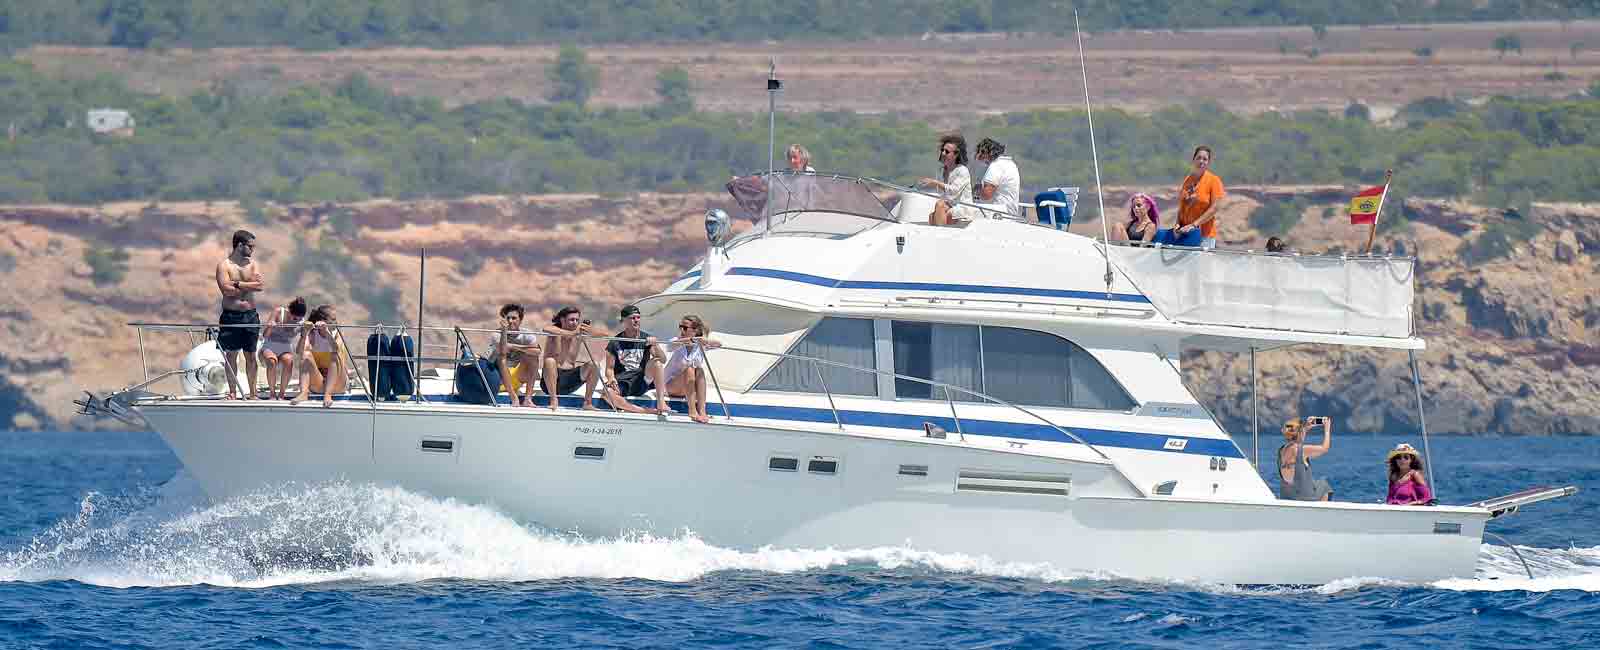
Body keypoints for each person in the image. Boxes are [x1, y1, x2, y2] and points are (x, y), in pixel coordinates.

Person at [214, 229, 264, 400]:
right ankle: (233, 392)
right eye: (250, 246)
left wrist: (236, 283)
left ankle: (253, 393)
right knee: (231, 354)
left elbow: (259, 286)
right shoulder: (224, 266)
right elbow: (227, 291)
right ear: (240, 245)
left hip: (250, 315)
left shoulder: (253, 264)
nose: (252, 249)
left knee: (251, 355)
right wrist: (246, 284)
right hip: (231, 316)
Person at [603, 305, 669, 415]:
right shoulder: (615, 342)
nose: (636, 320)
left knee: (656, 362)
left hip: (641, 380)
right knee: (607, 394)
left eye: (638, 317)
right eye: (632, 318)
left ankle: (661, 402)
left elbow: (663, 360)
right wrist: (611, 379)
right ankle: (643, 411)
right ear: (623, 320)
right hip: (623, 381)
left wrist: (656, 345)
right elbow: (609, 368)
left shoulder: (646, 338)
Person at [661, 314, 722, 424]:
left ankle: (702, 411)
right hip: (670, 385)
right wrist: (688, 339)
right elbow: (669, 346)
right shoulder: (677, 341)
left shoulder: (700, 344)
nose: (681, 330)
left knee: (699, 370)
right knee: (689, 369)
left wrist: (705, 341)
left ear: (695, 330)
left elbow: (719, 344)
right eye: (680, 327)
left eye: (684, 328)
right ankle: (692, 410)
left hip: (689, 384)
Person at [541, 306, 601, 411]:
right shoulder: (554, 331)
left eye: (577, 320)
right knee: (549, 361)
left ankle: (588, 403)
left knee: (594, 364)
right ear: (562, 320)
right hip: (551, 381)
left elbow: (605, 335)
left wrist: (589, 330)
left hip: (570, 381)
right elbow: (545, 328)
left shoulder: (578, 334)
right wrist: (573, 333)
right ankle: (553, 400)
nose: (575, 322)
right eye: (572, 320)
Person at [289, 304, 348, 408]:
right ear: (322, 320)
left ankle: (328, 395)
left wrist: (326, 333)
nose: (336, 322)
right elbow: (299, 351)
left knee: (334, 355)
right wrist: (304, 334)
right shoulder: (313, 334)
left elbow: (335, 348)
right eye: (333, 319)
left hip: (338, 384)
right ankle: (304, 393)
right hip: (319, 383)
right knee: (306, 355)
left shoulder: (337, 333)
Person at [1173, 145, 1225, 249]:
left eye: (1205, 159)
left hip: (1204, 235)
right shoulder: (1188, 180)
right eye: (1198, 158)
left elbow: (1215, 208)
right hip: (1185, 234)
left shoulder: (1214, 180)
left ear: (1208, 162)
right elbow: (1182, 207)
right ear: (1193, 160)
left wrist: (1194, 225)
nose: (1201, 161)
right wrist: (1177, 224)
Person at [489, 303, 542, 407]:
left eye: (514, 318)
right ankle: (513, 397)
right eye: (508, 318)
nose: (510, 321)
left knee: (532, 357)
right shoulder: (497, 334)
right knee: (501, 357)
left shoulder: (527, 334)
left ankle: (528, 399)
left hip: (517, 377)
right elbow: (503, 350)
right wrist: (504, 331)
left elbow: (537, 351)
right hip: (499, 380)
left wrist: (514, 346)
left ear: (520, 320)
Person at [920, 134, 975, 227]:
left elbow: (954, 191)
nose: (943, 153)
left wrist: (935, 183)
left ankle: (940, 236)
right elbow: (944, 194)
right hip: (949, 205)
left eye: (947, 151)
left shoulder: (962, 170)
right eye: (942, 150)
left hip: (962, 207)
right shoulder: (941, 170)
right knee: (931, 216)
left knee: (940, 204)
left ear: (956, 154)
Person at [258, 297, 307, 400]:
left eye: (299, 319)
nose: (297, 321)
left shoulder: (301, 322)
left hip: (285, 347)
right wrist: (271, 326)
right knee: (272, 361)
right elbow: (265, 335)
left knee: (289, 361)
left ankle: (281, 395)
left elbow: (301, 346)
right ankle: (272, 394)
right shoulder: (279, 312)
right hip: (269, 345)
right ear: (289, 311)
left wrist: (305, 332)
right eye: (295, 318)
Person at [1278, 416, 1334, 501]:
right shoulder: (1301, 450)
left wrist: (1306, 427)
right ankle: (1320, 513)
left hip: (1287, 496)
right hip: (1304, 496)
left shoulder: (1281, 450)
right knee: (1324, 485)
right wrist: (1327, 429)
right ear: (1300, 433)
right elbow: (1325, 448)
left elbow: (1298, 439)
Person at [973, 138, 1021, 220]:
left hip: (998, 214)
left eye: (982, 157)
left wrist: (977, 190)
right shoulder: (1010, 164)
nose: (984, 163)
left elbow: (987, 194)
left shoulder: (996, 166)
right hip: (1010, 212)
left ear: (987, 154)